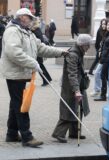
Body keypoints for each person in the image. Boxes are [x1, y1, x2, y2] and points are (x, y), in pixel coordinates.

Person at [1, 8, 68, 148]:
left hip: (21, 73)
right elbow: (13, 52)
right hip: (15, 74)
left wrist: (61, 53)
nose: (32, 20)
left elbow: (42, 48)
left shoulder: (27, 33)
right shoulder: (13, 31)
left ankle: (12, 134)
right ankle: (27, 137)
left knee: (16, 104)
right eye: (30, 18)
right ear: (23, 17)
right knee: (21, 105)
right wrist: (33, 63)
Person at [52, 34, 91, 143]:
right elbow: (72, 74)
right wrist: (76, 90)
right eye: (88, 45)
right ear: (83, 45)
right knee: (68, 109)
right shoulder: (73, 54)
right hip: (70, 86)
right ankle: (58, 133)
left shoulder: (79, 52)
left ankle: (74, 133)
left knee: (79, 108)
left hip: (78, 84)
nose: (89, 47)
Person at [94, 20, 109, 101]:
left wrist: (106, 58)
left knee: (103, 76)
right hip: (104, 58)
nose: (108, 26)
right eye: (108, 25)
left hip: (107, 59)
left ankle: (103, 95)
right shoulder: (107, 34)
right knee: (106, 76)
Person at [31, 18, 52, 86]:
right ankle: (48, 79)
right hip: (36, 51)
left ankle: (46, 80)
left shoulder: (36, 30)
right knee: (40, 66)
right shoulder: (34, 29)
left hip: (37, 52)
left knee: (40, 67)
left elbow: (40, 40)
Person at [90, 18, 108, 97]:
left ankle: (106, 91)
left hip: (107, 57)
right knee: (98, 73)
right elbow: (97, 43)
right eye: (102, 24)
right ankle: (97, 89)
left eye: (105, 24)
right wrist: (99, 51)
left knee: (104, 75)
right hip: (101, 55)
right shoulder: (99, 31)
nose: (103, 25)